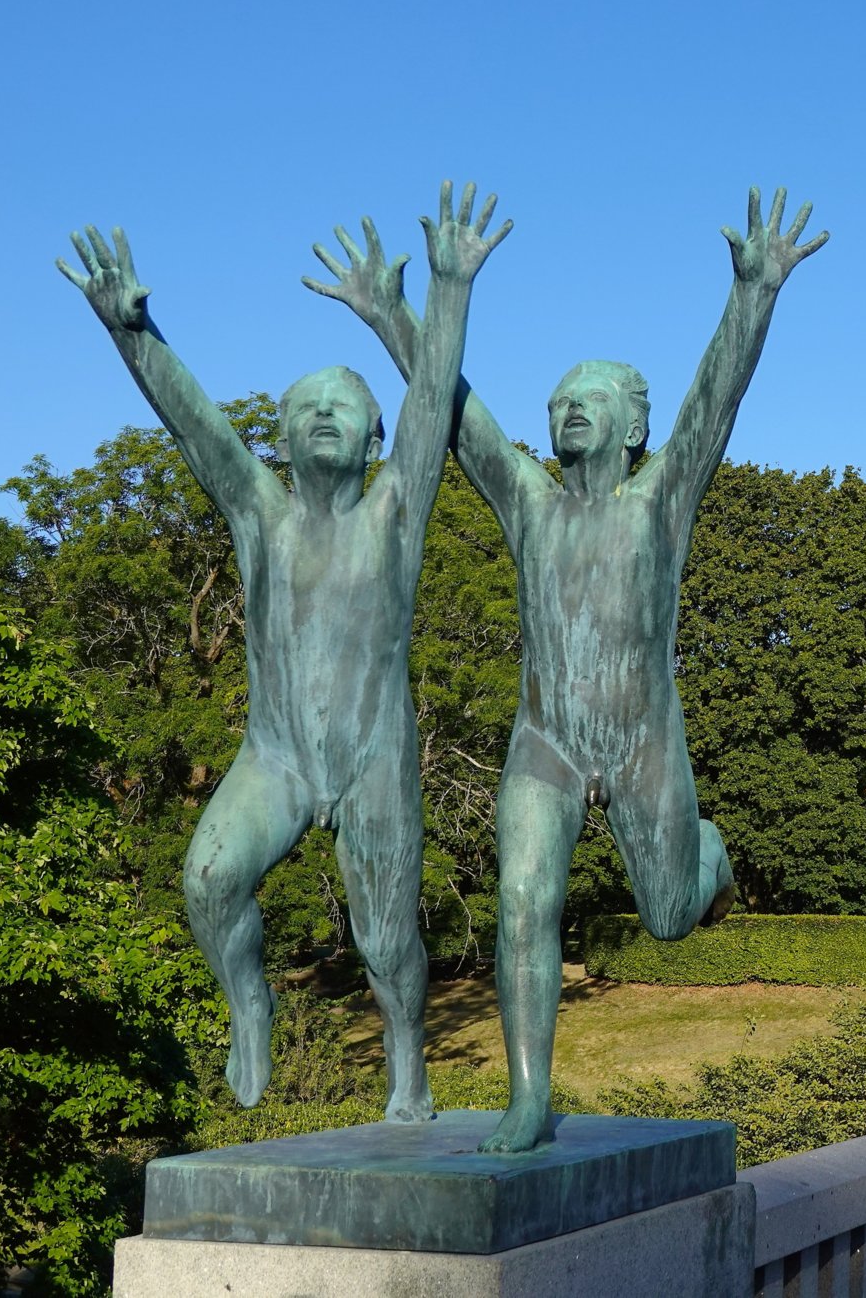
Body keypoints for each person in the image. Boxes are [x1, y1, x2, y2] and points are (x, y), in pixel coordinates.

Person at [311, 188, 824, 1151]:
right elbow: (453, 416)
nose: (566, 411)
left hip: (641, 742)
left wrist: (753, 295)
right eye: (558, 404)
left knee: (671, 915)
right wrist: (393, 311)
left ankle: (706, 852)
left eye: (588, 401)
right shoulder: (531, 506)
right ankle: (530, 1096)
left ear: (633, 425)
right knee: (521, 902)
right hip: (543, 742)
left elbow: (715, 397)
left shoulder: (660, 499)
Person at [58, 185, 508, 1121]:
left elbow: (433, 402)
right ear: (281, 439)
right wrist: (132, 334)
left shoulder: (395, 510)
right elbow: (194, 424)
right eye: (306, 410)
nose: (324, 418)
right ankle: (250, 1001)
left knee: (388, 943)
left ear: (378, 437)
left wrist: (450, 287)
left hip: (375, 756)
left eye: (344, 409)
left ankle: (408, 1078)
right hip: (278, 758)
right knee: (209, 877)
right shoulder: (258, 513)